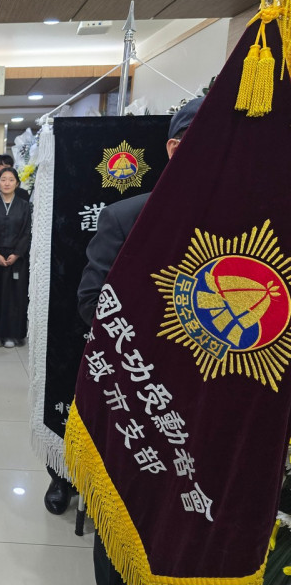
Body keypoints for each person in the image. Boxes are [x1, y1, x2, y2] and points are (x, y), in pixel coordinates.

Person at [74, 97, 203, 585]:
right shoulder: (128, 217)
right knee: (128, 517)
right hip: (143, 393)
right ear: (174, 148)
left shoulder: (254, 219)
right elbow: (92, 303)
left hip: (212, 403)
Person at [0, 167, 30, 348]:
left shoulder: (25, 206)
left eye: (11, 179)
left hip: (17, 259)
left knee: (15, 297)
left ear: (17, 183)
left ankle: (12, 334)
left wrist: (17, 253)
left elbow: (27, 232)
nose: (7, 183)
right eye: (3, 179)